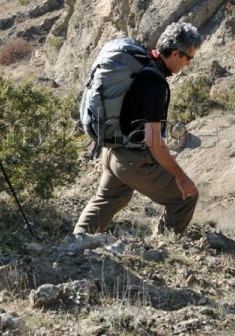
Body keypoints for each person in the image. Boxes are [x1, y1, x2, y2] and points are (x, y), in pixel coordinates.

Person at [74, 21, 202, 236]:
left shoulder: (141, 62)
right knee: (186, 197)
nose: (188, 63)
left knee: (108, 199)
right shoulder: (154, 84)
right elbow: (154, 141)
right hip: (133, 160)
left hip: (112, 151)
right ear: (175, 54)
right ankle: (165, 246)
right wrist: (181, 177)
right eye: (188, 58)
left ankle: (76, 244)